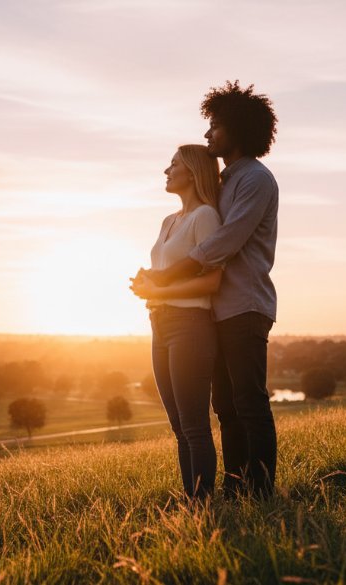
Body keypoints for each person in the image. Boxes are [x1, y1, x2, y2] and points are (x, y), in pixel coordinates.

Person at [143, 81, 280, 499]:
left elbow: (225, 241)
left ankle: (260, 492)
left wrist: (166, 279)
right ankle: (234, 488)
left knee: (249, 403)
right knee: (225, 407)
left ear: (237, 129)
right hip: (214, 312)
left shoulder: (255, 179)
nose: (208, 134)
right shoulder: (225, 183)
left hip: (244, 305)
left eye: (216, 126)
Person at [130, 144, 222, 499]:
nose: (166, 171)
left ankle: (204, 503)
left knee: (195, 426)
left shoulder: (206, 217)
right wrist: (146, 281)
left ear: (193, 173)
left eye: (173, 165)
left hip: (190, 325)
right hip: (160, 325)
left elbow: (212, 282)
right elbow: (165, 271)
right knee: (178, 426)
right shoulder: (169, 221)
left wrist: (159, 291)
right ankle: (191, 500)